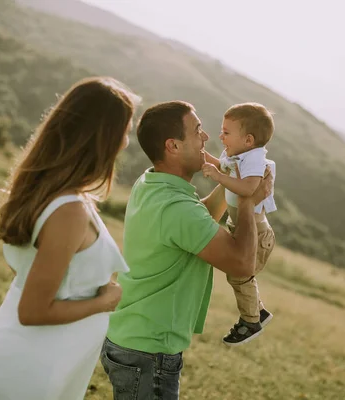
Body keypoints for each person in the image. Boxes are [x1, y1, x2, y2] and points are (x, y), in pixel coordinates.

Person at [0, 77, 139, 400]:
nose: (127, 142)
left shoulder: (60, 196)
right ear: (104, 135)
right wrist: (104, 302)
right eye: (126, 131)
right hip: (29, 370)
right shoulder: (69, 211)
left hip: (43, 360)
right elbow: (32, 310)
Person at [100, 100, 273, 399]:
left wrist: (236, 183)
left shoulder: (152, 182)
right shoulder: (176, 208)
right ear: (173, 146)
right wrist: (247, 199)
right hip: (148, 350)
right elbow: (242, 264)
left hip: (133, 340)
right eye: (197, 131)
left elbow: (197, 220)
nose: (207, 137)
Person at [202, 102, 277, 346]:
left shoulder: (254, 159)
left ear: (248, 140)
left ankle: (251, 321)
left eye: (226, 132)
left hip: (258, 231)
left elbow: (248, 189)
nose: (220, 136)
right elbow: (221, 166)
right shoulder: (236, 155)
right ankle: (259, 312)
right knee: (238, 275)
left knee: (239, 276)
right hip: (240, 225)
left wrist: (219, 177)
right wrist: (205, 158)